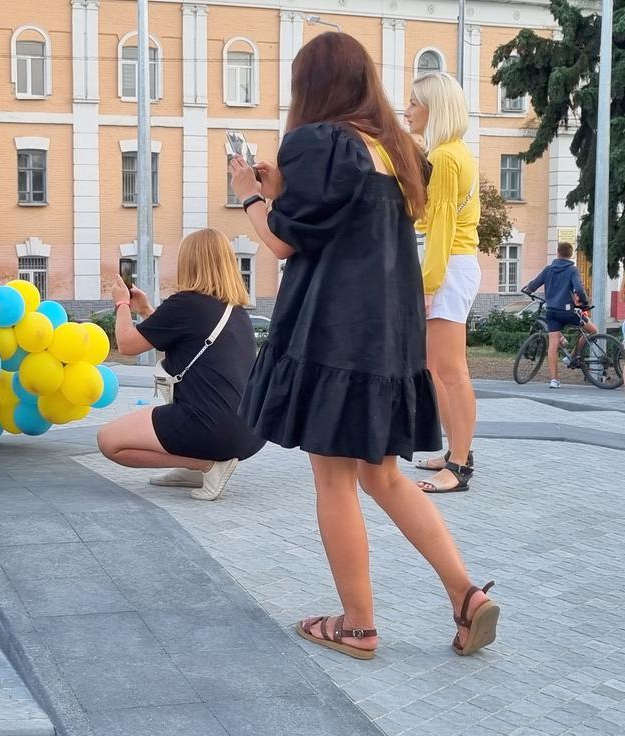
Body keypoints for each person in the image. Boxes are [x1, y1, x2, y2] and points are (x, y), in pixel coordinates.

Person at [229, 33, 498, 659]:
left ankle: (357, 624)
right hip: (389, 340)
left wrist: (249, 191)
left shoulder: (317, 142)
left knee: (334, 480)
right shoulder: (396, 150)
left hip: (331, 336)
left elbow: (285, 242)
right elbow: (340, 215)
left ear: (313, 86)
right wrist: (281, 185)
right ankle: (466, 595)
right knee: (385, 478)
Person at [96, 228, 266, 501]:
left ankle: (206, 465)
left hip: (212, 426)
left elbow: (127, 345)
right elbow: (176, 341)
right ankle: (194, 467)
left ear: (189, 263)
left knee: (109, 441)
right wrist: (145, 310)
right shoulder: (237, 312)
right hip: (251, 432)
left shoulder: (186, 304)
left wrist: (121, 304)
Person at [404, 72, 481, 494]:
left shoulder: (448, 158)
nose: (407, 110)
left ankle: (460, 466)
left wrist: (429, 284)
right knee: (438, 368)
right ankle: (457, 453)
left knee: (451, 372)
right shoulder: (451, 153)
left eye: (415, 102)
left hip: (448, 266)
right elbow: (435, 220)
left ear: (435, 108)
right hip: (452, 264)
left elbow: (442, 229)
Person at [523, 241, 595, 388]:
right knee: (593, 330)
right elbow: (579, 290)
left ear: (557, 253)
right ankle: (574, 356)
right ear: (571, 255)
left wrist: (528, 289)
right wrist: (584, 302)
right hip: (569, 312)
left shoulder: (548, 269)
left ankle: (554, 380)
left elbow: (534, 284)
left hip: (552, 312)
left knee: (553, 345)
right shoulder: (572, 270)